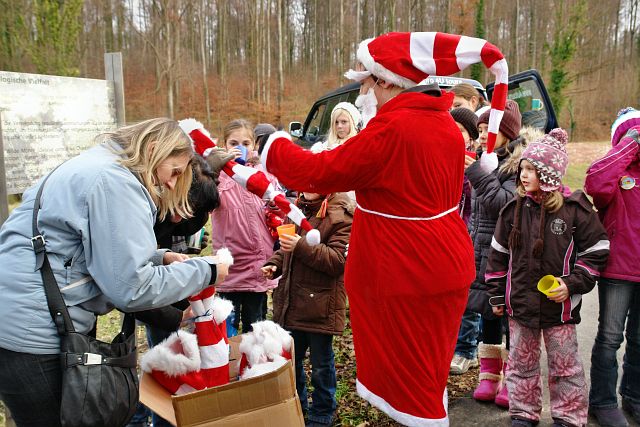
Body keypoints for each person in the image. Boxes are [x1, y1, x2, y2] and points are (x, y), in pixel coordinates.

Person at [259, 32, 512, 425]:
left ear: (389, 81)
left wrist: (272, 145)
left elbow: (318, 171)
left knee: (409, 384)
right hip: (444, 263)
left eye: (367, 82)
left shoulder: (391, 129)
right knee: (428, 372)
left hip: (407, 272)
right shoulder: (443, 124)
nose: (363, 92)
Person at [0, 118, 230, 426]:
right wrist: (207, 270)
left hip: (18, 317)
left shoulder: (99, 165)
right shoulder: (117, 182)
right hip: (34, 331)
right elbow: (131, 288)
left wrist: (159, 258)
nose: (173, 183)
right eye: (175, 171)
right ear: (153, 150)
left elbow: (89, 247)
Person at [486, 128, 610, 427]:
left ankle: (568, 416)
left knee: (565, 367)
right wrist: (497, 294)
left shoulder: (575, 210)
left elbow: (597, 250)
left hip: (560, 309)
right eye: (523, 168)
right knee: (521, 364)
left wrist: (571, 284)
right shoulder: (512, 210)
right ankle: (523, 413)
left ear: (550, 174)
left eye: (532, 169)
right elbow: (498, 255)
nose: (523, 175)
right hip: (520, 306)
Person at [261, 190, 353, 427]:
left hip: (320, 305)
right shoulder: (296, 208)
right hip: (291, 303)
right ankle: (297, 406)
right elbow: (286, 249)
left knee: (321, 364)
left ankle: (322, 411)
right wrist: (275, 264)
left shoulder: (341, 215)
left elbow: (337, 261)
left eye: (313, 183)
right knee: (292, 360)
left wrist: (300, 245)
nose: (307, 188)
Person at [464, 100, 528, 408]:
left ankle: (513, 378)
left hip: (508, 256)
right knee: (487, 313)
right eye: (478, 130)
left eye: (486, 130)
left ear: (506, 132)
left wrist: (480, 173)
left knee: (510, 318)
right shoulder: (485, 160)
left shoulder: (518, 165)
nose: (480, 136)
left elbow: (505, 206)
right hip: (482, 252)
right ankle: (489, 376)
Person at [585, 107, 640, 427]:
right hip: (619, 270)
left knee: (639, 340)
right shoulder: (614, 171)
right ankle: (602, 402)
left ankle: (633, 396)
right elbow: (595, 184)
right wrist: (628, 146)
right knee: (609, 337)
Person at [211, 119, 278, 334]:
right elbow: (203, 203)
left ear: (254, 145)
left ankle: (253, 356)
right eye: (233, 143)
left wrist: (275, 205)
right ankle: (229, 356)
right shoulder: (217, 178)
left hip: (257, 262)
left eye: (246, 143)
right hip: (229, 262)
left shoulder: (263, 173)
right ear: (224, 145)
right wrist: (214, 170)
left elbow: (278, 207)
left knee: (255, 327)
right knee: (226, 327)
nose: (240, 147)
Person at [449, 107, 480, 374]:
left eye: (460, 130)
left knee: (469, 295)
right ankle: (452, 343)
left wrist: (475, 173)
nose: (455, 135)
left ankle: (467, 349)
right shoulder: (443, 157)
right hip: (446, 235)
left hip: (469, 234)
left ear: (471, 136)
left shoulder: (477, 163)